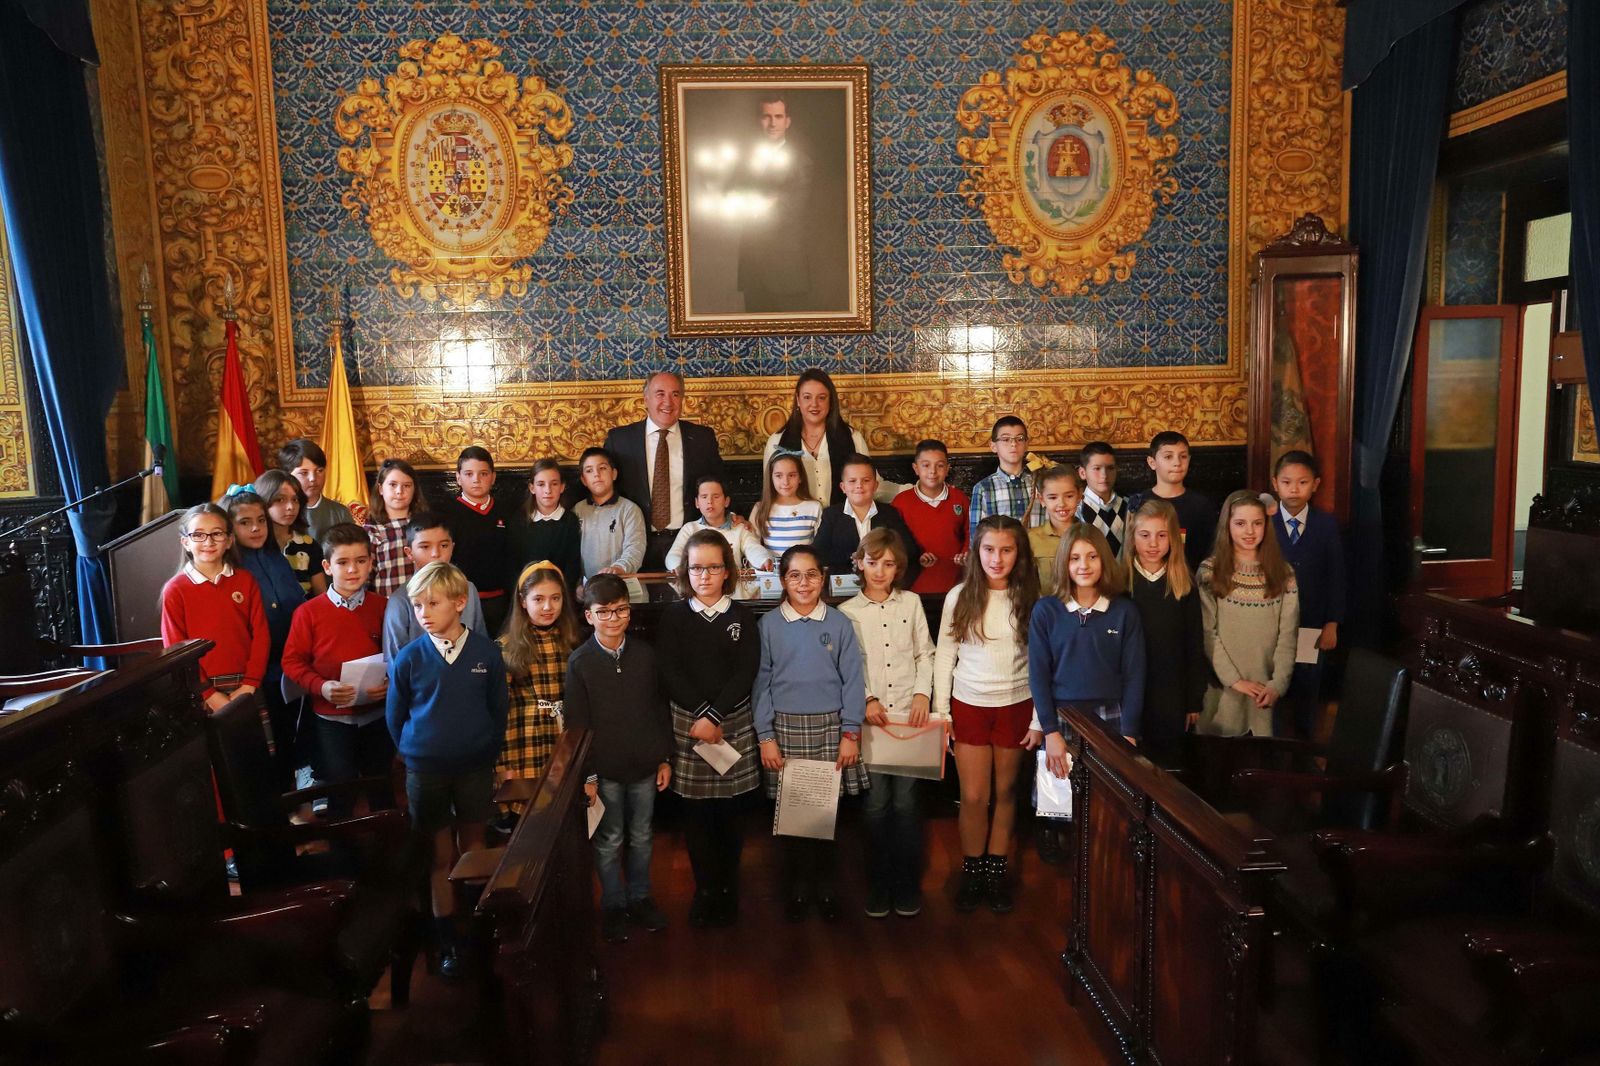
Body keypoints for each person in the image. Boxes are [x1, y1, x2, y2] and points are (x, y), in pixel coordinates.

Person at [387, 561, 509, 979]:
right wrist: (414, 752)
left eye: (432, 604)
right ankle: (446, 938)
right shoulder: (409, 658)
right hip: (426, 771)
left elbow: (498, 712)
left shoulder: (485, 653)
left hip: (474, 767)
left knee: (473, 847)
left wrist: (484, 753)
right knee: (439, 855)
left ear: (459, 603)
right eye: (417, 605)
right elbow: (396, 715)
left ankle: (478, 928)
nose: (422, 613)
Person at [755, 545, 868, 923]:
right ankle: (797, 888)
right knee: (792, 816)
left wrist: (850, 731)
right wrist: (765, 735)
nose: (804, 583)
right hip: (786, 729)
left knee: (827, 815)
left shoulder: (838, 623)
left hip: (831, 727)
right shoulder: (768, 625)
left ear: (825, 578)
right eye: (794, 575)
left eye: (812, 575)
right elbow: (761, 684)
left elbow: (853, 679)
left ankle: (827, 887)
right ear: (782, 580)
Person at [656, 531, 762, 928]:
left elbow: (745, 670)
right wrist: (702, 715)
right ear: (686, 571)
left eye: (713, 567)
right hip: (689, 721)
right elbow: (670, 671)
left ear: (727, 571)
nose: (704, 575)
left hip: (731, 719)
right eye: (696, 568)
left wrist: (716, 715)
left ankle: (727, 888)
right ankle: (704, 890)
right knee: (698, 814)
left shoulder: (741, 616)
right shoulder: (675, 616)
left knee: (731, 813)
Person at [933, 515, 1038, 914]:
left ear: (1019, 554)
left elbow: (1040, 661)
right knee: (974, 796)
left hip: (1016, 704)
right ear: (977, 552)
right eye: (989, 549)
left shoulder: (1031, 598)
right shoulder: (959, 596)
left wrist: (1039, 719)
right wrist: (942, 712)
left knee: (1006, 793)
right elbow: (946, 653)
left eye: (1006, 550)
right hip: (970, 704)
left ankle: (997, 872)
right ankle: (972, 870)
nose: (997, 558)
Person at [565, 574, 673, 944]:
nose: (614, 618)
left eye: (621, 610)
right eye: (604, 612)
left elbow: (659, 708)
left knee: (642, 836)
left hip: (644, 763)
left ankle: (640, 897)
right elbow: (578, 724)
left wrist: (663, 757)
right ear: (589, 615)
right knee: (609, 839)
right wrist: (588, 774)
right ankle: (613, 903)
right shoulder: (580, 662)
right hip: (605, 770)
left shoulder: (645, 655)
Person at [839, 528, 936, 920]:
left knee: (907, 803)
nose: (880, 571)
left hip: (910, 719)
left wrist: (922, 695)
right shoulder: (847, 612)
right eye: (873, 562)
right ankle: (878, 881)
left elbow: (925, 654)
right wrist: (866, 698)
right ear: (860, 563)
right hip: (873, 722)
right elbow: (849, 667)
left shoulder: (911, 603)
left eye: (889, 564)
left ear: (899, 569)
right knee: (877, 804)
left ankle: (906, 881)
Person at [282, 522, 393, 817]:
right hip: (331, 718)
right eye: (343, 562)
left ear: (371, 563)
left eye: (360, 561)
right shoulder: (308, 613)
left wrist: (390, 682)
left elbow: (401, 657)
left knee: (381, 785)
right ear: (327, 566)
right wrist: (322, 687)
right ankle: (342, 853)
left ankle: (392, 852)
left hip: (377, 715)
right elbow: (292, 663)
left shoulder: (384, 607)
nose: (353, 570)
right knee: (340, 789)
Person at [1029, 524, 1147, 776]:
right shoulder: (1045, 611)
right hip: (1061, 717)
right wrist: (1049, 730)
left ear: (1104, 560)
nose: (1084, 565)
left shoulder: (1124, 611)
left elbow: (1135, 675)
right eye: (1075, 558)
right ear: (1064, 563)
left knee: (1109, 808)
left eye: (1092, 556)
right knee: (1061, 808)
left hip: (1112, 715)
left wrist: (1129, 731)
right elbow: (1038, 675)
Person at [1197, 491, 1300, 737]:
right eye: (1240, 523)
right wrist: (1234, 680)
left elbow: (1289, 634)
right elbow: (1208, 633)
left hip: (1266, 691)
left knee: (1261, 764)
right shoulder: (1210, 572)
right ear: (1227, 525)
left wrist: (1278, 684)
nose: (1249, 531)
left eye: (1257, 523)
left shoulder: (1283, 573)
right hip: (1224, 690)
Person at [226, 487, 310, 787]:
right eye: (245, 522)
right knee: (270, 740)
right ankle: (279, 796)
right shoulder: (233, 568)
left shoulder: (275, 557)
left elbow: (294, 603)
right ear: (230, 529)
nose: (256, 528)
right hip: (259, 669)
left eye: (261, 520)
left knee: (292, 732)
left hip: (290, 661)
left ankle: (297, 791)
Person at [602, 371, 727, 571]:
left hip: (688, 543)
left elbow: (720, 483)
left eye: (675, 394)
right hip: (634, 545)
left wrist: (732, 516)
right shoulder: (620, 440)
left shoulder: (702, 438)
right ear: (646, 399)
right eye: (660, 394)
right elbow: (602, 488)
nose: (668, 402)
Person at [160, 502, 268, 713]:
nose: (208, 541)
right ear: (185, 542)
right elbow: (176, 650)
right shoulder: (175, 589)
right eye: (198, 535)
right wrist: (208, 693)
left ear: (229, 540)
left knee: (251, 746)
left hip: (246, 684)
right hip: (199, 689)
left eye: (217, 534)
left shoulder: (245, 581)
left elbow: (261, 635)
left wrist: (250, 683)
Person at [1124, 499, 1207, 766]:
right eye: (1144, 535)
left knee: (1167, 766)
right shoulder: (1120, 581)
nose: (1153, 544)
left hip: (1171, 693)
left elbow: (1194, 643)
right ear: (1132, 536)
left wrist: (1193, 699)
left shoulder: (1184, 583)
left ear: (1173, 538)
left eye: (1162, 535)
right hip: (1129, 692)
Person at [1270, 450, 1345, 739]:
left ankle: (1304, 750)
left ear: (1316, 484)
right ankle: (1273, 747)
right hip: (1273, 624)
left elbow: (1337, 576)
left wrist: (1332, 622)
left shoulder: (1325, 525)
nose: (1294, 489)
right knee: (1274, 685)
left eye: (1302, 482)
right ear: (1275, 483)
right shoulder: (1264, 523)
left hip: (1311, 624)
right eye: (1287, 482)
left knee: (1307, 685)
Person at [761, 369, 900, 506]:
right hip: (796, 525)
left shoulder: (852, 438)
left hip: (842, 524)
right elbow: (769, 492)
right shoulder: (777, 441)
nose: (814, 404)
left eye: (821, 398)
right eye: (807, 397)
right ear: (798, 400)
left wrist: (914, 491)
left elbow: (872, 485)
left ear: (831, 401)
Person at [498, 561, 581, 785]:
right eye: (538, 599)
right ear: (523, 601)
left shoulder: (572, 643)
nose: (548, 607)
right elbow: (498, 711)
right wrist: (502, 764)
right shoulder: (506, 647)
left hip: (562, 735)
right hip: (524, 741)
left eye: (555, 598)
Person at [735, 96, 814, 314]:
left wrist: (759, 207)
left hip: (785, 271)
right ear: (758, 120)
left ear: (787, 121)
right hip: (752, 267)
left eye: (778, 117)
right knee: (752, 340)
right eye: (766, 117)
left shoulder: (801, 162)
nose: (772, 123)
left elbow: (794, 209)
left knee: (787, 343)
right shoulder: (746, 162)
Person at [382, 514, 489, 661]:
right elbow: (395, 660)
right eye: (425, 547)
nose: (435, 554)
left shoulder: (468, 589)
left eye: (444, 546)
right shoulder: (400, 599)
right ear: (409, 553)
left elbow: (480, 642)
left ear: (452, 548)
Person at [812, 455, 923, 587]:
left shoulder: (889, 513)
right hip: (844, 586)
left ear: (875, 485)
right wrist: (851, 556)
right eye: (852, 481)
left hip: (884, 584)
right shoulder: (831, 515)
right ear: (843, 487)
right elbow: (818, 553)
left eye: (866, 480)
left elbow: (909, 550)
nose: (859, 486)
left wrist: (877, 556)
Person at [1127, 431, 1217, 573]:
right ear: (1152, 462)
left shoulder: (1201, 505)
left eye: (1183, 456)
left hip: (1189, 581)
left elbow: (1208, 552)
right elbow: (1130, 550)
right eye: (1168, 457)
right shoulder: (1139, 502)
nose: (1177, 462)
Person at [446, 446, 513, 636]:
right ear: (458, 477)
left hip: (502, 601)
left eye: (483, 473)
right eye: (469, 474)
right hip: (463, 601)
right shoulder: (447, 514)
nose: (476, 479)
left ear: (493, 477)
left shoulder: (507, 511)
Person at [892, 438, 970, 596]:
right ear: (916, 468)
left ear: (948, 468)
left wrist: (965, 552)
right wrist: (914, 555)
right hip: (913, 583)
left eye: (940, 465)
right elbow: (894, 539)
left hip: (955, 582)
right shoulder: (901, 502)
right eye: (926, 465)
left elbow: (970, 530)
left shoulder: (959, 498)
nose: (933, 471)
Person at [663, 474, 772, 572]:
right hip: (699, 586)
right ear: (697, 503)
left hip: (732, 587)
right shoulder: (690, 529)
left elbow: (752, 547)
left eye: (716, 497)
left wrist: (763, 560)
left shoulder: (739, 527)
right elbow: (674, 554)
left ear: (726, 501)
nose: (709, 501)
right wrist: (677, 566)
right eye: (704, 497)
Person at [510, 458, 583, 592]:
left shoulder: (570, 521)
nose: (548, 490)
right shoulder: (519, 521)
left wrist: (561, 592)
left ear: (562, 487)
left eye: (554, 484)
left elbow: (573, 564)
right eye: (541, 484)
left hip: (561, 594)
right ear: (532, 488)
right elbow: (513, 563)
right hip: (527, 593)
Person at [574, 447, 647, 578]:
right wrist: (577, 583)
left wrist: (619, 568)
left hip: (622, 585)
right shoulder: (577, 511)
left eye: (602, 468)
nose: (596, 474)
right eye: (589, 471)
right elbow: (571, 553)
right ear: (584, 480)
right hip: (589, 590)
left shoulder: (629, 509)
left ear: (614, 474)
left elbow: (635, 548)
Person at [255, 468, 326, 596]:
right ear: (264, 501)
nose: (290, 507)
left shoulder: (310, 546)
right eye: (280, 500)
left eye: (295, 500)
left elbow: (321, 597)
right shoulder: (254, 545)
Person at [968, 416, 1038, 543]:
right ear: (993, 446)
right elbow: (976, 538)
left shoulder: (1040, 482)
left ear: (1027, 444)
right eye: (1006, 439)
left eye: (1020, 438)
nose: (1013, 444)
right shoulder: (983, 488)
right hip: (1000, 559)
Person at [366, 458, 424, 596]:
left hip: (424, 606)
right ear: (380, 489)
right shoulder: (373, 531)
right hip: (387, 606)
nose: (399, 491)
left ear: (414, 489)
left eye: (407, 486)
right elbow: (366, 578)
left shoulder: (425, 526)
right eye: (393, 484)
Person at [750, 451, 822, 560]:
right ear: (771, 478)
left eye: (792, 475)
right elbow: (752, 545)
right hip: (772, 573)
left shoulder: (814, 507)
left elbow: (820, 546)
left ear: (800, 478)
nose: (785, 482)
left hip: (802, 572)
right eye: (778, 476)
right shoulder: (760, 508)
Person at [278, 438, 355, 539]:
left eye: (319, 471)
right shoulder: (279, 513)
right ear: (287, 475)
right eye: (304, 473)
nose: (313, 478)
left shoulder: (340, 513)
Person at [1028, 465, 1083, 596]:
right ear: (1041, 499)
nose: (1061, 504)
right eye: (1053, 498)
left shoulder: (1090, 535)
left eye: (1069, 496)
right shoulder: (1032, 538)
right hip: (1047, 611)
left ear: (1080, 495)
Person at [1076, 441, 1129, 557]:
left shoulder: (1129, 505)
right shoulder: (1076, 509)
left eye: (1110, 468)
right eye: (1097, 468)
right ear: (1082, 473)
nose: (1104, 475)